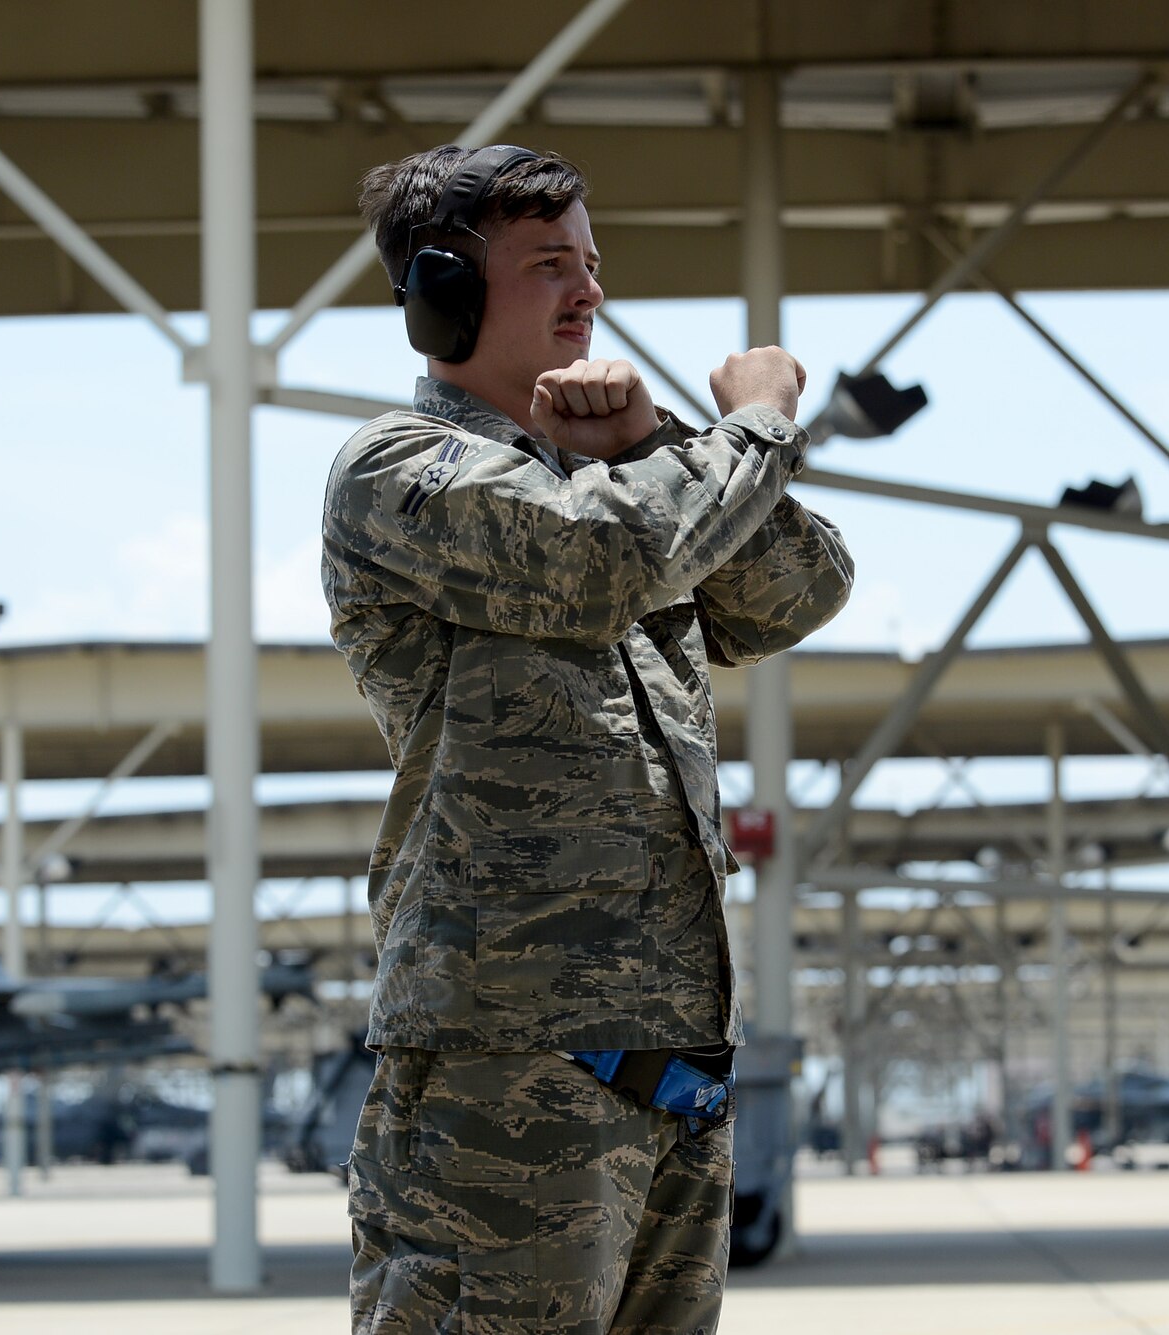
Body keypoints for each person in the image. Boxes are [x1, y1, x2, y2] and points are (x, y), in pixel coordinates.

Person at [325, 142, 853, 1334]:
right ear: (444, 293)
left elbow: (794, 595)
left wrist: (657, 442)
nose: (589, 294)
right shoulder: (397, 472)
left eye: (592, 263)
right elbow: (594, 561)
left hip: (668, 1064)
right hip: (505, 1065)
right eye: (550, 264)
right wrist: (755, 425)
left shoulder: (627, 485)